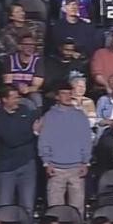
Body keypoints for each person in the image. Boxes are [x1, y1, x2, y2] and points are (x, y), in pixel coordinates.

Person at [39, 82, 93, 214]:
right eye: (64, 93)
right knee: (55, 210)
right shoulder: (49, 116)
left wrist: (85, 162)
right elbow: (44, 140)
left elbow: (86, 140)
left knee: (77, 210)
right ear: (57, 97)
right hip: (56, 169)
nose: (68, 96)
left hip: (76, 168)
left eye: (70, 93)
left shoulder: (80, 116)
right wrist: (46, 162)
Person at [0, 86, 39, 218]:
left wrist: (29, 132)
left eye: (17, 97)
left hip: (28, 165)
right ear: (4, 99)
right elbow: (12, 140)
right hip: (8, 169)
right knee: (4, 206)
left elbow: (36, 123)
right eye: (14, 98)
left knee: (27, 206)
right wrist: (33, 132)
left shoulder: (25, 110)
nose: (17, 100)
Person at [2, 34, 45, 109]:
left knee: (37, 98)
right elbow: (7, 82)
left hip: (29, 91)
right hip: (13, 91)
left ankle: (38, 116)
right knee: (29, 104)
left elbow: (36, 85)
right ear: (19, 46)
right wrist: (18, 86)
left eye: (32, 45)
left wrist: (27, 89)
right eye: (27, 45)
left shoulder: (37, 61)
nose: (30, 47)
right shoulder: (10, 59)